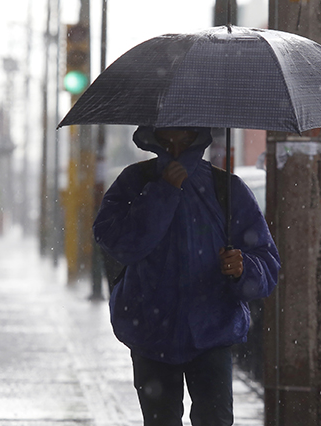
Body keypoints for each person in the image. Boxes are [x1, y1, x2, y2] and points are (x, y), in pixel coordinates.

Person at [93, 126, 280, 426]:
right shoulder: (135, 182)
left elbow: (267, 264)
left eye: (185, 141)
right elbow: (119, 244)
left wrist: (243, 267)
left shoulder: (226, 188)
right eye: (168, 142)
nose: (176, 151)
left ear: (199, 138)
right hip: (149, 332)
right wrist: (163, 193)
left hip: (212, 332)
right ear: (153, 138)